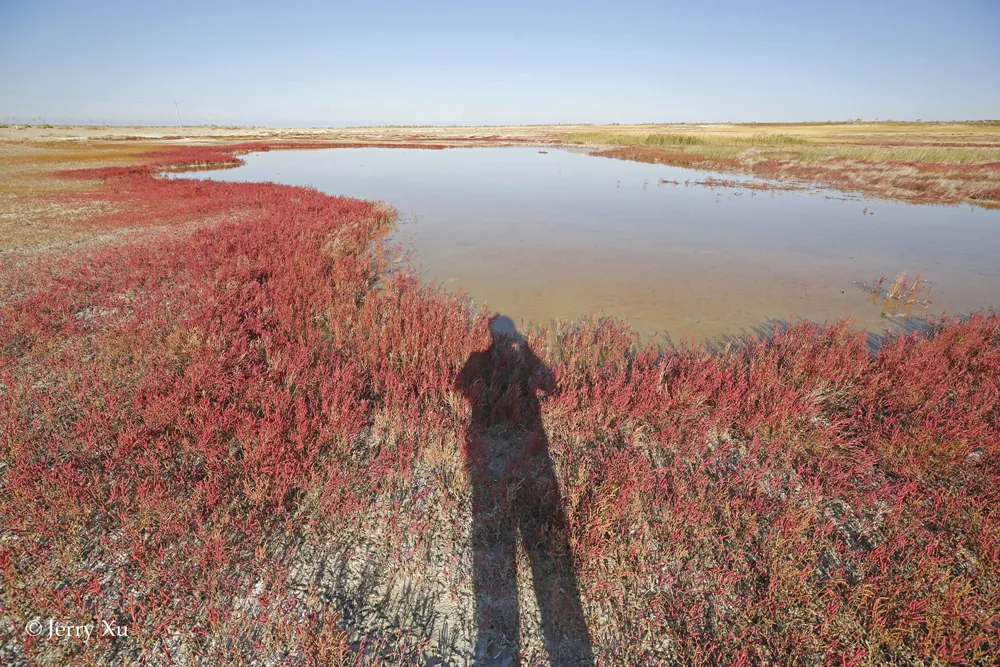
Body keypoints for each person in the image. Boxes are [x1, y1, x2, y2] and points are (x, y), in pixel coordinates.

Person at [455, 315, 594, 666]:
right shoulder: (503, 358)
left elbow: (460, 386)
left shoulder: (478, 359)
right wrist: (530, 351)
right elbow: (551, 385)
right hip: (522, 450)